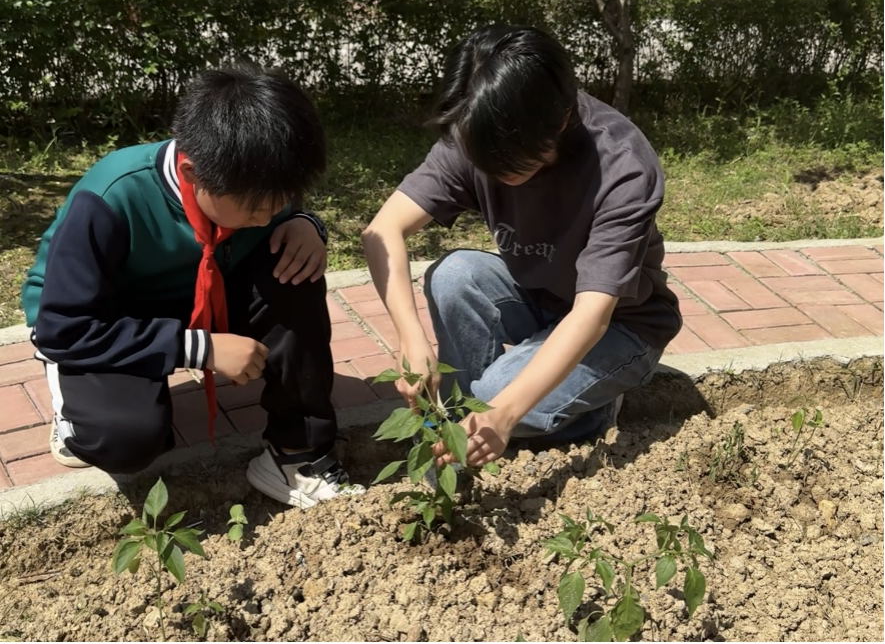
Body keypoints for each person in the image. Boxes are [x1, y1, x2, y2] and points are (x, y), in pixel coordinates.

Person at [21, 64, 364, 508]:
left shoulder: (253, 177)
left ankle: (296, 457)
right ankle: (74, 415)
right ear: (192, 170)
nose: (268, 215)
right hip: (98, 318)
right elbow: (63, 328)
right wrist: (199, 349)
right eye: (259, 206)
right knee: (127, 440)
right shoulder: (111, 197)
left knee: (294, 268)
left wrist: (306, 222)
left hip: (197, 290)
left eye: (282, 200)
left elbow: (277, 209)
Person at [361, 25, 682, 470]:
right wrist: (408, 338)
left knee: (497, 396)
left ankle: (585, 417)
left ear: (563, 120)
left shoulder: (621, 168)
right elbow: (382, 231)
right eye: (482, 160)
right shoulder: (478, 131)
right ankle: (462, 435)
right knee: (454, 275)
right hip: (543, 297)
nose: (492, 172)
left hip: (622, 325)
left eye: (510, 163)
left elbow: (592, 314)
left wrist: (505, 412)